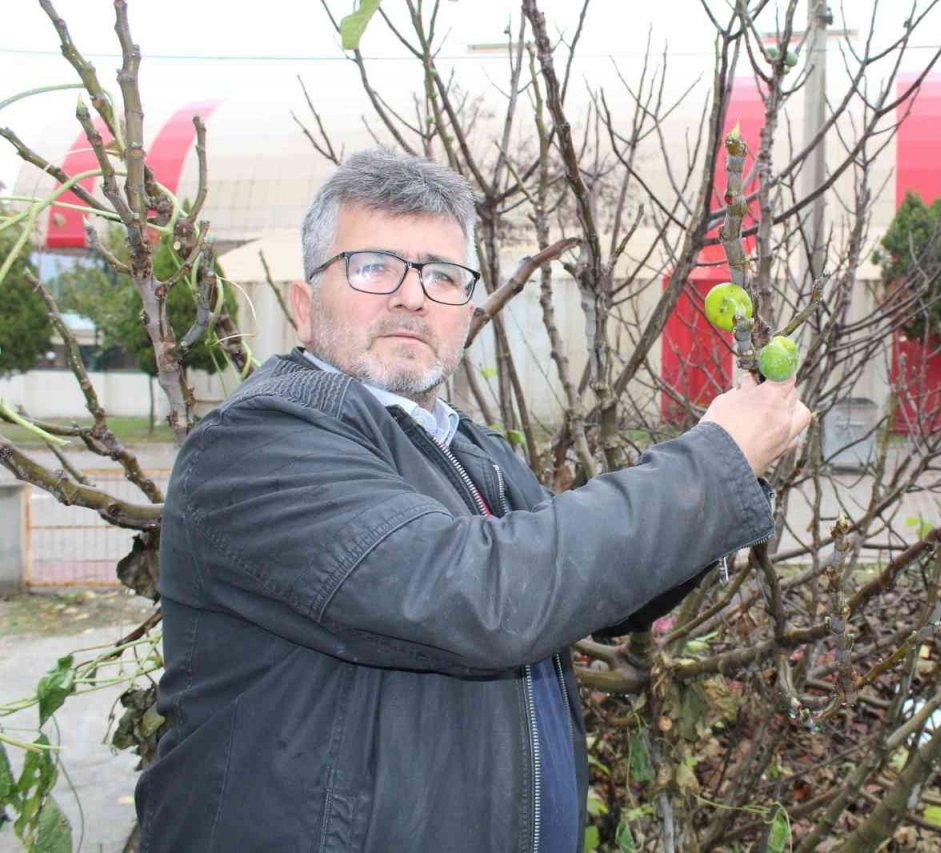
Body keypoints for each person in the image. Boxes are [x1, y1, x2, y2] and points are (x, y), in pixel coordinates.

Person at [135, 148, 810, 852]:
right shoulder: (256, 443)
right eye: (373, 266)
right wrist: (712, 462)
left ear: (466, 308)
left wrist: (737, 463)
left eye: (443, 276)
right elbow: (483, 596)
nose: (411, 295)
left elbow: (594, 591)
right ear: (304, 307)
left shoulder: (466, 449)